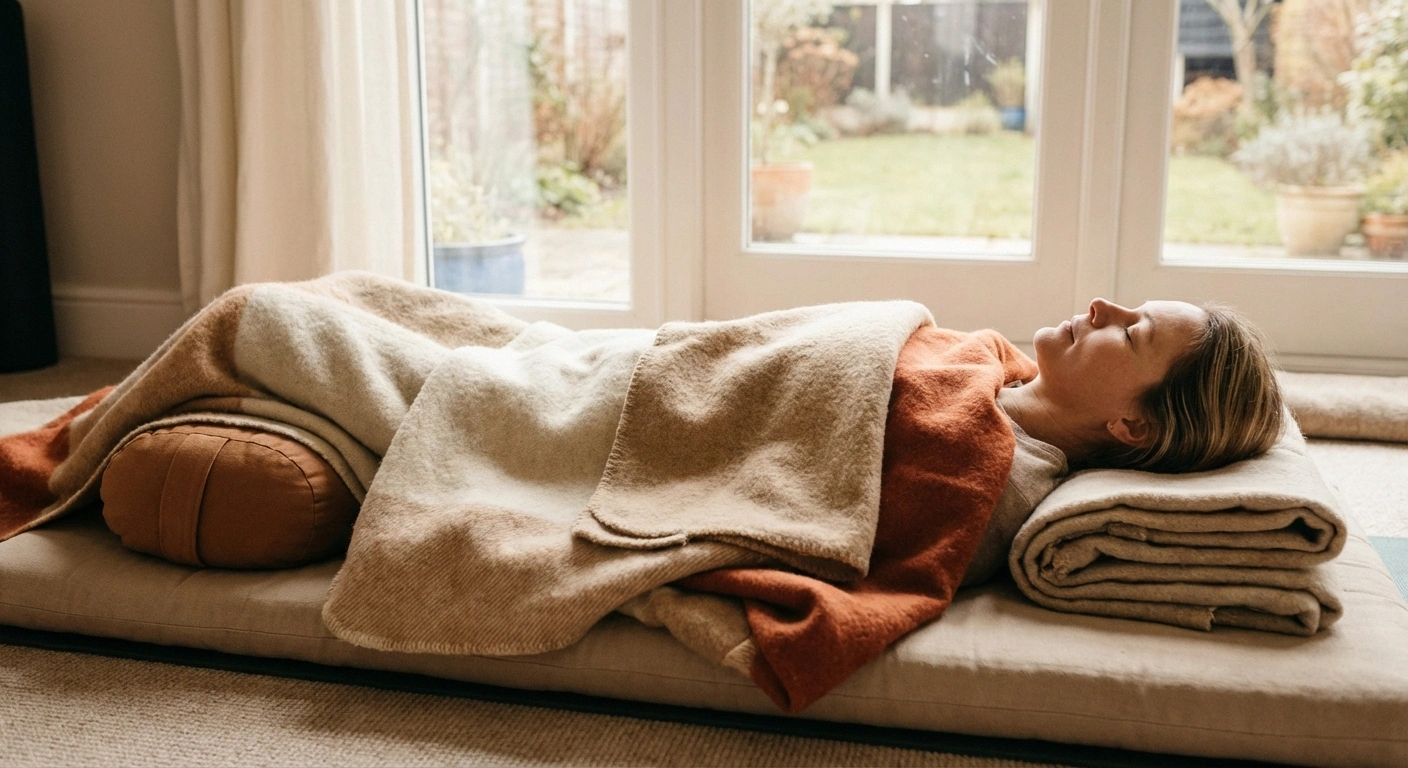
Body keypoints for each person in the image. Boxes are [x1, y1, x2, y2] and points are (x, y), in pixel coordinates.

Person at [962, 297, 1285, 586]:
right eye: (1132, 309)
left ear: (1135, 425)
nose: (1100, 305)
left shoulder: (991, 478)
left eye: (1130, 333)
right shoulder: (989, 355)